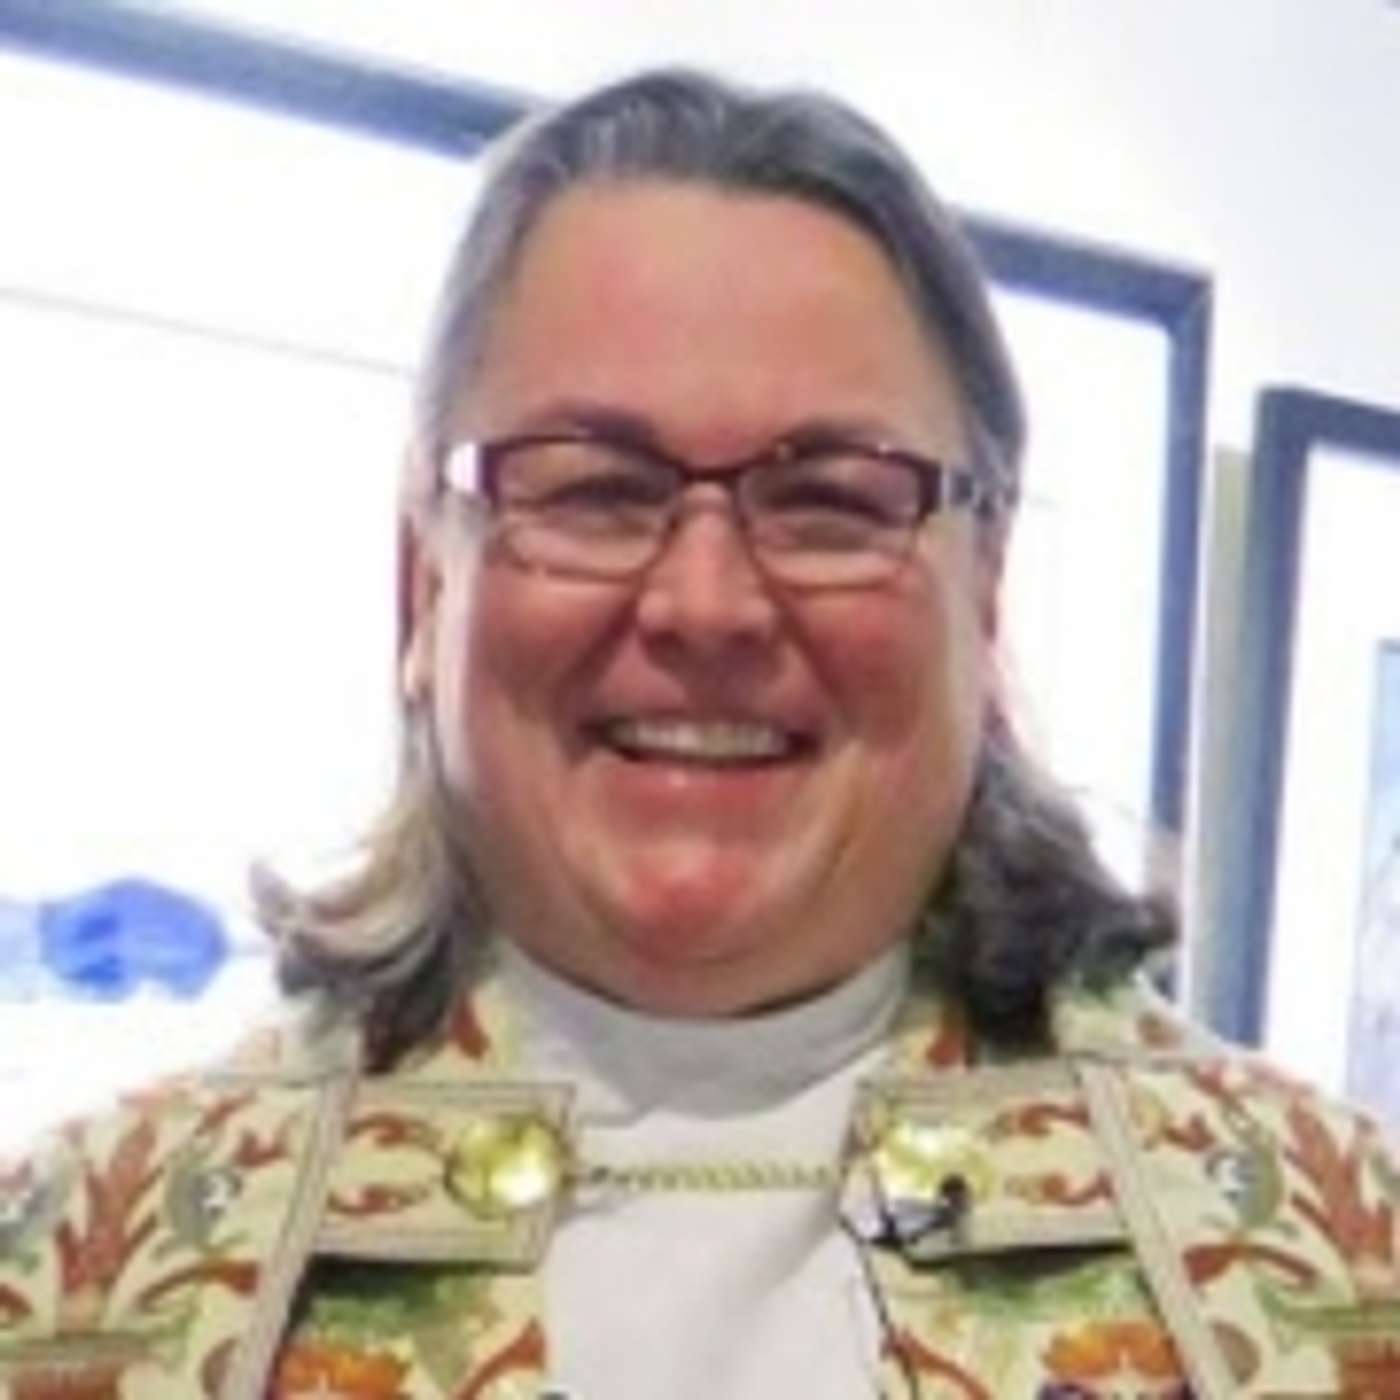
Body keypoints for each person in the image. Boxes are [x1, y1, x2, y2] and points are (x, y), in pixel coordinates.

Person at [2, 67, 1398, 1400]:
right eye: (592, 488)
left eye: (833, 501)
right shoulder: (65, 1291)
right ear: (424, 586)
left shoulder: (1355, 1280)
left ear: (984, 595)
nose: (706, 604)